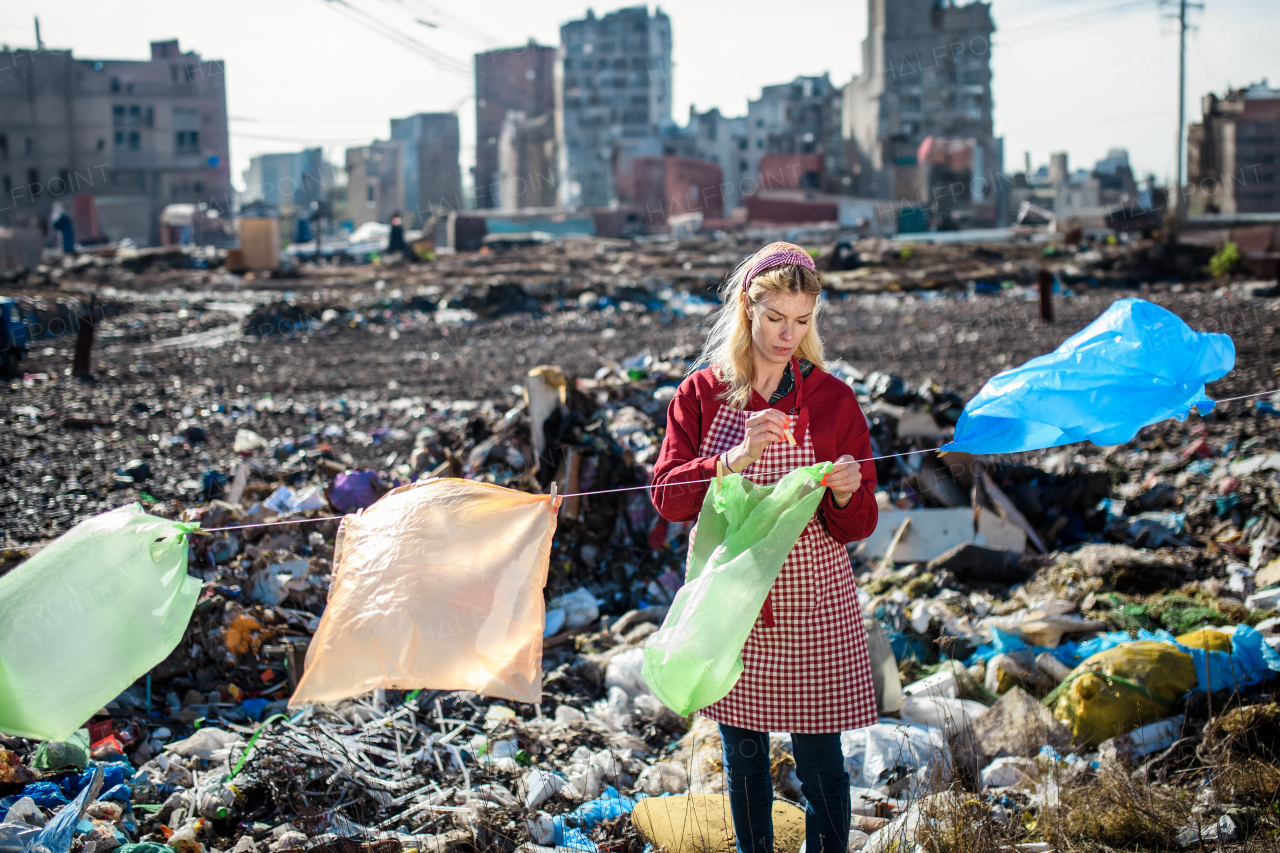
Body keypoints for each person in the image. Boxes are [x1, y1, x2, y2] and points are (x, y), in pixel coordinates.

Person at [651, 241, 879, 853]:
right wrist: (730, 459)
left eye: (802, 320)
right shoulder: (700, 394)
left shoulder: (833, 400)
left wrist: (847, 491)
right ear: (746, 310)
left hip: (811, 601)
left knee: (820, 761)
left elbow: (858, 525)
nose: (788, 334)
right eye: (775, 317)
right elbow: (668, 500)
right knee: (745, 760)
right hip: (733, 601)